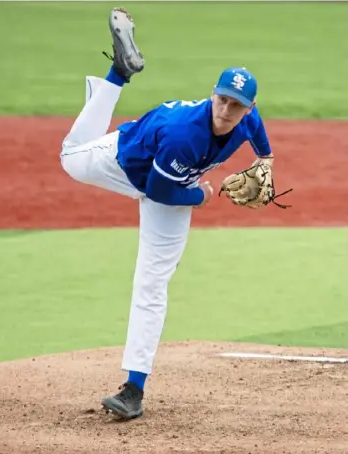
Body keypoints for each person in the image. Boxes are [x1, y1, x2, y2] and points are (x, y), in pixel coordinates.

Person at [60, 7, 275, 420]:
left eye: (237, 106)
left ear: (248, 109)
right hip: (126, 162)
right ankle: (119, 75)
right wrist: (200, 197)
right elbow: (159, 191)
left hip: (174, 182)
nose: (227, 110)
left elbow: (259, 135)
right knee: (70, 156)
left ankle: (133, 391)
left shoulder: (248, 119)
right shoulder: (185, 135)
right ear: (213, 94)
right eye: (223, 100)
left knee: (152, 285)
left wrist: (267, 160)